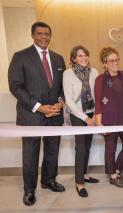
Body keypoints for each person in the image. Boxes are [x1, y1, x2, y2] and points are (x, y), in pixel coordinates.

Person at [8, 21, 66, 206]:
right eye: (39, 34)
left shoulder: (58, 59)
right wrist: (39, 107)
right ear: (33, 35)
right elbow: (15, 87)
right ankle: (29, 190)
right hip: (31, 115)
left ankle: (48, 180)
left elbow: (61, 87)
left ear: (50, 36)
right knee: (30, 154)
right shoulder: (20, 57)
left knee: (52, 151)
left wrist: (60, 103)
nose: (43, 37)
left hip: (54, 115)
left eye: (47, 34)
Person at [94, 47, 123, 188]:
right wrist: (99, 123)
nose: (115, 62)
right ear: (104, 63)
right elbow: (98, 101)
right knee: (110, 148)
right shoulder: (100, 79)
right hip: (109, 120)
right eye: (111, 60)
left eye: (116, 59)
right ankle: (112, 176)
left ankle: (116, 171)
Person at [63, 45, 99, 198]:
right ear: (73, 59)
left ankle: (84, 174)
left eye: (85, 55)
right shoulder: (68, 73)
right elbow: (69, 100)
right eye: (79, 56)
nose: (83, 58)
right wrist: (85, 118)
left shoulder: (94, 72)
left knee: (88, 146)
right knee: (81, 147)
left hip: (92, 114)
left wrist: (95, 116)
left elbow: (98, 94)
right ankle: (79, 183)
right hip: (77, 116)